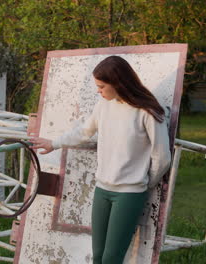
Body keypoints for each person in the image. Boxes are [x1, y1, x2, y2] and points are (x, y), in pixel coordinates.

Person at [29, 55, 171, 264]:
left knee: (111, 258)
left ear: (118, 83)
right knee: (98, 256)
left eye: (102, 86)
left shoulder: (147, 112)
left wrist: (145, 183)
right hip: (102, 190)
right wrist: (54, 143)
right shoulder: (104, 106)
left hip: (129, 194)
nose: (98, 91)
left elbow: (162, 157)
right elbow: (84, 132)